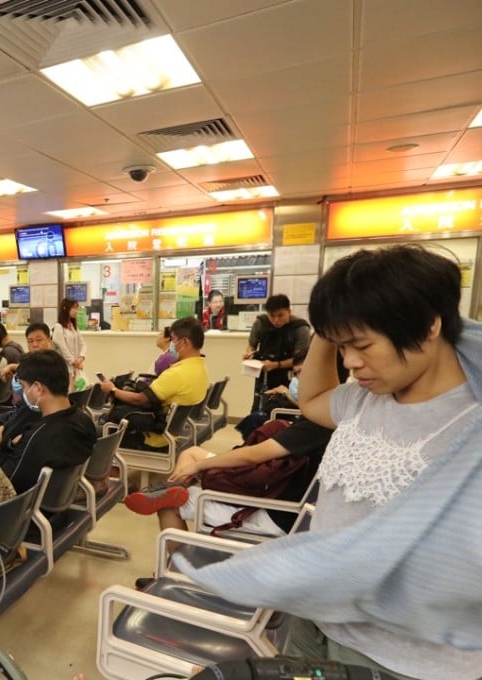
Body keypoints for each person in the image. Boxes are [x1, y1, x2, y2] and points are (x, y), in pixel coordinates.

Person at [179, 245, 482, 680]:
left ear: (430, 324)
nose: (351, 363)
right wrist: (331, 320)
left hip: (401, 660)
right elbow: (313, 398)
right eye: (341, 346)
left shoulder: (467, 428)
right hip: (316, 621)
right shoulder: (366, 398)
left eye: (362, 345)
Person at [125, 416, 331, 537]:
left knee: (168, 506)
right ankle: (173, 488)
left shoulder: (315, 426)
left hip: (274, 515)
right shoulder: (331, 422)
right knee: (192, 453)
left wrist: (199, 466)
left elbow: (251, 456)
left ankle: (176, 569)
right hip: (281, 497)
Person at [0, 349, 96, 494]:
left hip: (30, 504)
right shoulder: (85, 420)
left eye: (24, 386)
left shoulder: (38, 437)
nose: (23, 392)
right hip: (64, 495)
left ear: (37, 388)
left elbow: (5, 482)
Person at [97, 317, 209, 451]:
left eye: (173, 340)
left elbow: (139, 399)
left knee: (95, 434)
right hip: (173, 433)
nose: (171, 344)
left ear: (184, 342)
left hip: (154, 438)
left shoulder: (176, 374)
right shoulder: (201, 370)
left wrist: (113, 390)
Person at [244, 293, 310, 394]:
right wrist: (249, 355)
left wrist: (275, 365)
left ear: (289, 311)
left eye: (280, 315)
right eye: (272, 316)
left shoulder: (301, 329)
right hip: (264, 376)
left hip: (289, 378)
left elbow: (299, 360)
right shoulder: (260, 323)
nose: (276, 320)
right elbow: (251, 346)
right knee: (260, 402)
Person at [52, 298, 87, 388]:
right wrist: (73, 362)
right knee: (68, 391)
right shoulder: (58, 327)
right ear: (65, 309)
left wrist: (81, 357)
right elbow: (63, 348)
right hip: (64, 367)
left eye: (77, 308)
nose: (76, 311)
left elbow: (83, 344)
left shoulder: (73, 326)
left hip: (75, 367)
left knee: (77, 390)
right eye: (73, 308)